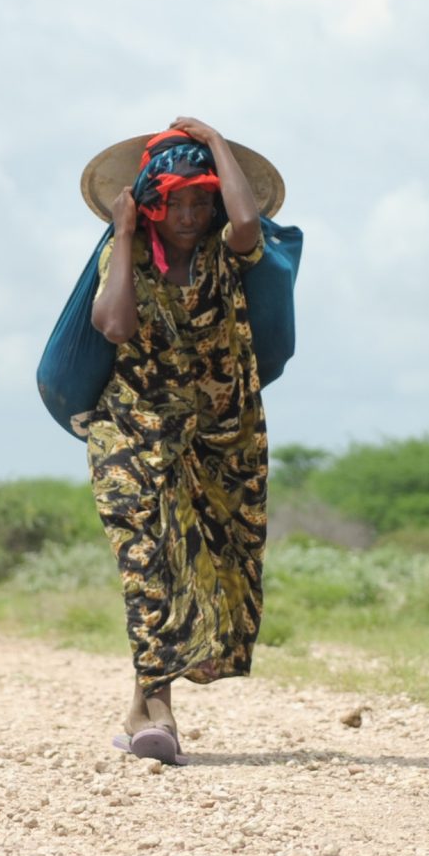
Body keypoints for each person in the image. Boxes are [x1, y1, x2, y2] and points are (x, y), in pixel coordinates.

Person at [87, 116, 276, 765]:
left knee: (209, 564)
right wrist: (124, 232)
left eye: (203, 198)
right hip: (133, 433)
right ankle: (160, 710)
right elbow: (113, 324)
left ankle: (143, 705)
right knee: (148, 561)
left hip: (220, 437)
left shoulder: (227, 249)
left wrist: (220, 142)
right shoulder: (127, 252)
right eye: (176, 199)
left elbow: (249, 226)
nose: (192, 213)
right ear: (149, 201)